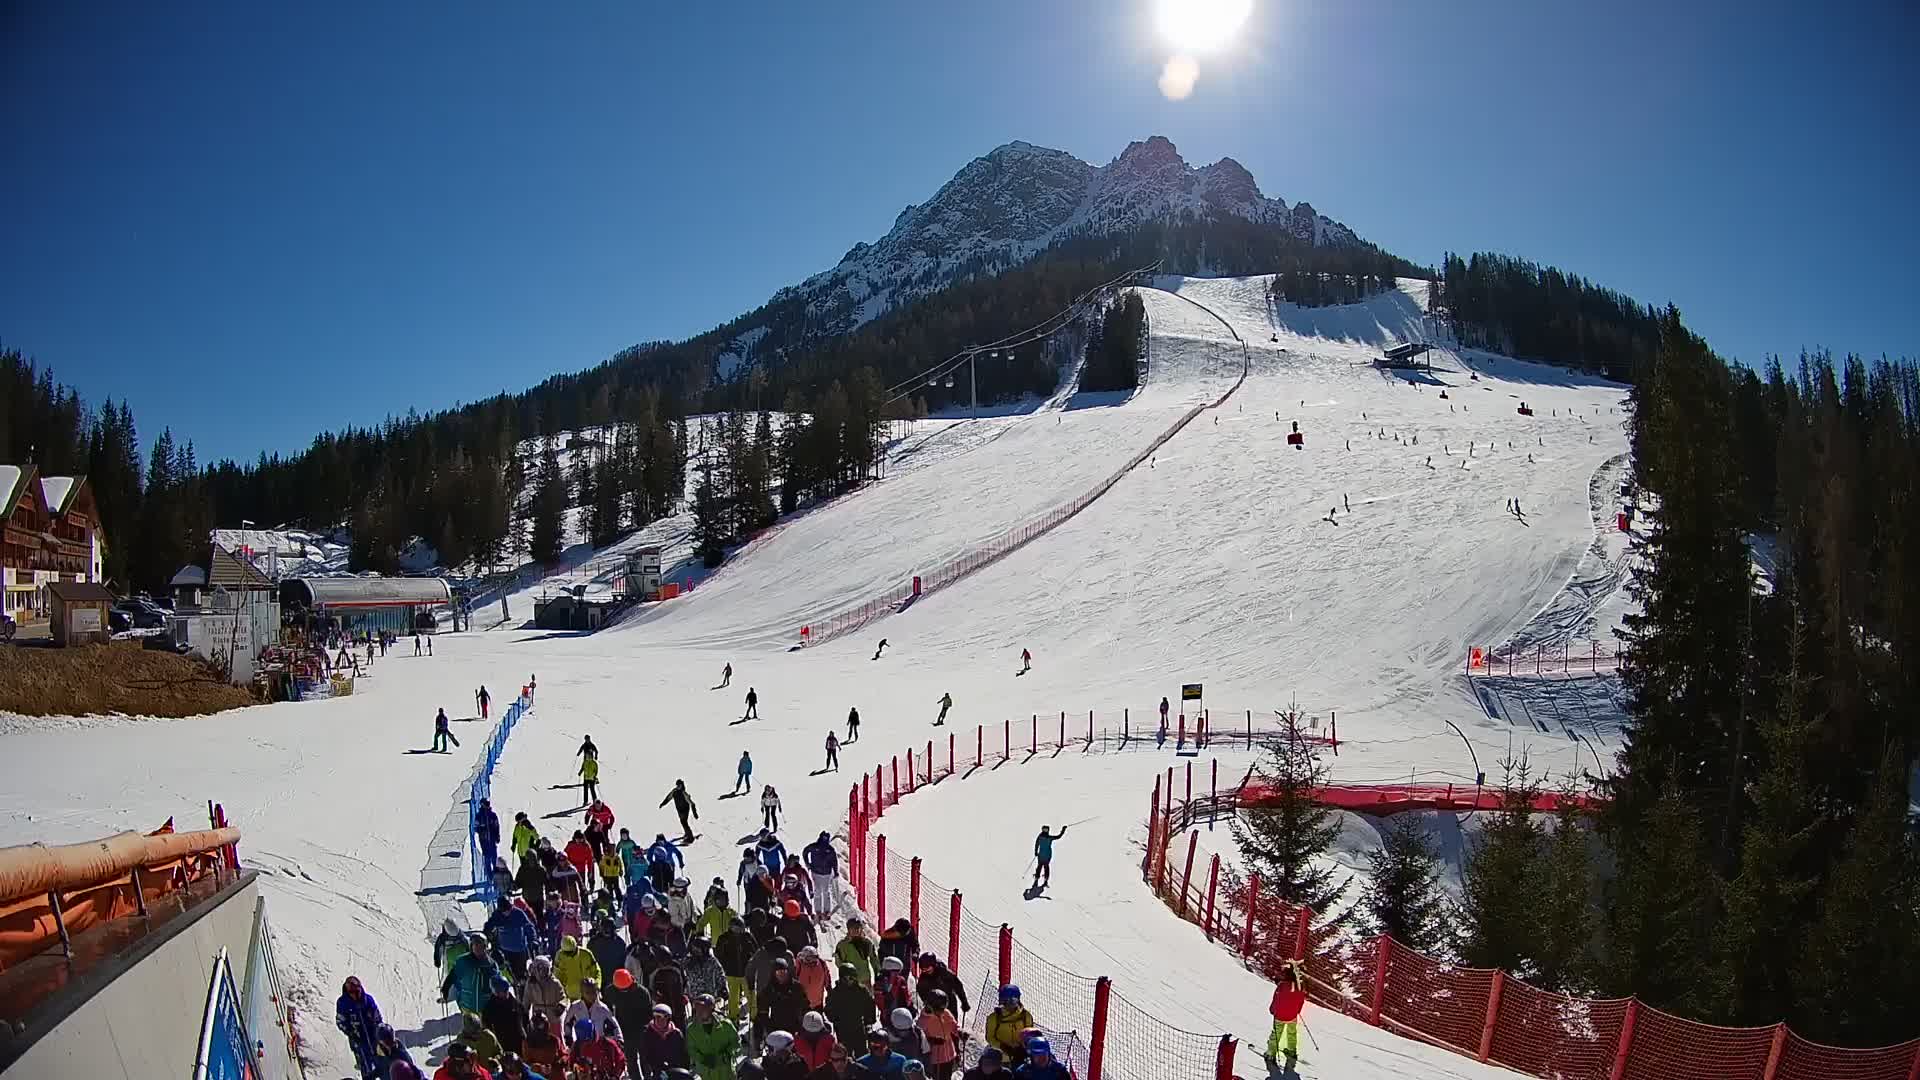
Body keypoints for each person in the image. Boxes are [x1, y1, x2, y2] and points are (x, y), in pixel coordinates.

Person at [336, 976, 385, 1079]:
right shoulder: (343, 1003)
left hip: (373, 1038)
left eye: (357, 991)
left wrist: (380, 1030)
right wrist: (351, 1033)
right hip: (358, 1041)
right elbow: (340, 1022)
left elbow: (377, 1017)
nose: (355, 995)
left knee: (382, 1064)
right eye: (352, 992)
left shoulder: (368, 1000)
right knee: (366, 1067)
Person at [445, 934, 505, 1014]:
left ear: (485, 946)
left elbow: (498, 984)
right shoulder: (463, 961)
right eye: (474, 945)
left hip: (485, 1009)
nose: (477, 948)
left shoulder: (491, 965)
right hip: (467, 1008)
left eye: (479, 945)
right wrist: (446, 989)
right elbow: (453, 977)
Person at [685, 993, 740, 1080]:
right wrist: (703, 1059)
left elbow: (736, 1043)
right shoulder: (691, 1029)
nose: (699, 1011)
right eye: (697, 1007)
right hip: (707, 1074)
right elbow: (691, 1050)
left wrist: (727, 1054)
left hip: (726, 1073)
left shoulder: (726, 1025)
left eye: (703, 1008)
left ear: (711, 1008)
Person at [1266, 958, 1307, 1069]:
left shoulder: (1282, 985)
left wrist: (1272, 1009)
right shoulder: (1300, 986)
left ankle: (1271, 1053)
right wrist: (1297, 1010)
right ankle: (1292, 1050)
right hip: (1292, 1015)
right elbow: (1301, 1000)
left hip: (1280, 1015)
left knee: (1276, 1034)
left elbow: (1276, 1000)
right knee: (1292, 1033)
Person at [757, 957, 810, 1043]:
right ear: (774, 974)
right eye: (778, 972)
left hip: (794, 1026)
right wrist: (769, 1028)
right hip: (776, 1027)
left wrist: (803, 1025)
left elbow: (805, 1006)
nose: (782, 975)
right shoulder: (769, 989)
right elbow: (763, 1011)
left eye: (784, 971)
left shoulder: (797, 987)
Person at [718, 914, 757, 1022]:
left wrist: (753, 964)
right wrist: (724, 966)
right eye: (734, 928)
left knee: (751, 995)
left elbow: (755, 951)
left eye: (739, 928)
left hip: (747, 972)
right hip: (731, 973)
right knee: (733, 997)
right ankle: (733, 1016)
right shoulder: (724, 938)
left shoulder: (747, 937)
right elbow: (719, 954)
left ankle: (754, 1016)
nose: (737, 930)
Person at [917, 989, 963, 1079]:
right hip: (935, 1059)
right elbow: (920, 1040)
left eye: (943, 1008)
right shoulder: (923, 1021)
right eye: (939, 1009)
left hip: (949, 1054)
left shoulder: (946, 1013)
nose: (942, 1011)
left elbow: (953, 1026)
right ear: (929, 1006)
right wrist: (931, 1040)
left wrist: (960, 1032)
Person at [487, 899, 538, 979]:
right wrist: (489, 938)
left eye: (509, 910)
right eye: (504, 911)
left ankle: (522, 987)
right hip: (504, 950)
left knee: (521, 973)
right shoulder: (497, 915)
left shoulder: (518, 913)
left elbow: (529, 926)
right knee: (509, 974)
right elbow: (488, 927)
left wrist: (533, 939)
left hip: (519, 950)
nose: (507, 913)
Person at [983, 986, 1034, 1065]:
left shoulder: (1025, 1016)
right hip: (1000, 1057)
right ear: (1002, 1001)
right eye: (1007, 1001)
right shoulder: (994, 1018)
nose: (1011, 1004)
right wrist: (1004, 1047)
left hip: (1020, 1056)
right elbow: (990, 1037)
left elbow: (1030, 1035)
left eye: (1014, 1000)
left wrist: (1023, 1048)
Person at [638, 1003, 691, 1074]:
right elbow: (644, 1057)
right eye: (658, 1017)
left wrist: (683, 1072)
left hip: (675, 1070)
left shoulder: (676, 1033)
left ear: (668, 1019)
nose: (660, 1020)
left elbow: (684, 1055)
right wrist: (649, 1073)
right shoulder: (647, 1033)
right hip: (656, 1071)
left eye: (664, 1017)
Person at [482, 976, 526, 1056]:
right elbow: (486, 1027)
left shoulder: (514, 1003)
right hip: (502, 1042)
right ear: (496, 992)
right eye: (503, 991)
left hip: (518, 1041)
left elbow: (524, 1018)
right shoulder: (490, 1007)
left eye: (507, 990)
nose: (506, 993)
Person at [802, 832, 838, 920]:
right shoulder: (814, 847)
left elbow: (834, 861)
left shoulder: (830, 850)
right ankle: (818, 910)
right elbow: (805, 852)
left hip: (826, 873)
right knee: (817, 890)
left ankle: (826, 910)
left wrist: (836, 871)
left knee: (826, 891)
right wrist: (807, 863)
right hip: (815, 872)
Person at [554, 935, 601, 1001]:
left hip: (588, 995)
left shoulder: (586, 954)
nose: (569, 955)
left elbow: (596, 971)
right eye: (567, 953)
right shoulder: (559, 956)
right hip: (571, 995)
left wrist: (597, 985)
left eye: (571, 952)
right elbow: (557, 975)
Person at [520, 1009, 565, 1077]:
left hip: (555, 1074)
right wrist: (540, 1068)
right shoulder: (526, 1043)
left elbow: (563, 1055)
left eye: (542, 1026)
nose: (540, 1030)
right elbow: (526, 1064)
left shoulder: (554, 1040)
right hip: (538, 1076)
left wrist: (561, 1062)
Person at [519, 954, 566, 1018]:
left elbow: (563, 997)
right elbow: (526, 999)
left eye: (545, 968)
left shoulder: (554, 982)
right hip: (538, 1017)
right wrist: (524, 1013)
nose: (543, 971)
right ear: (535, 969)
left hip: (553, 1016)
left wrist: (561, 1006)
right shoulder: (531, 983)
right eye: (540, 968)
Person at [793, 945, 833, 1009]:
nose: (811, 961)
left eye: (812, 958)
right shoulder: (798, 965)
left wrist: (830, 992)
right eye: (808, 959)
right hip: (802, 1004)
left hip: (818, 1003)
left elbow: (827, 979)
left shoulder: (822, 964)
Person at [475, 799, 502, 875]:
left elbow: (497, 826)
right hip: (484, 841)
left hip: (492, 839)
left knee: (494, 857)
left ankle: (496, 874)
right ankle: (489, 876)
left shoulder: (493, 815)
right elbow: (476, 827)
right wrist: (481, 828)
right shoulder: (479, 816)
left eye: (488, 803)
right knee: (487, 858)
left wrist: (497, 836)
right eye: (486, 804)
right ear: (482, 805)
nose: (487, 805)